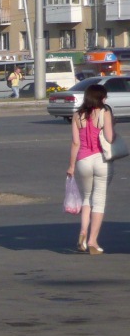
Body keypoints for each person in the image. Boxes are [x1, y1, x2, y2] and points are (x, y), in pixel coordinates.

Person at [66, 84, 114, 254]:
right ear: (100, 98)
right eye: (104, 97)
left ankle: (82, 233)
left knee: (87, 198)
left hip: (83, 160)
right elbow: (109, 137)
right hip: (101, 160)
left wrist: (71, 166)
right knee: (99, 200)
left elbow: (75, 143)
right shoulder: (104, 112)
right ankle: (93, 241)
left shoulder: (77, 115)